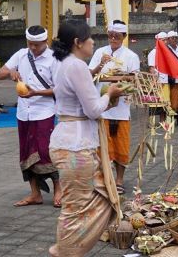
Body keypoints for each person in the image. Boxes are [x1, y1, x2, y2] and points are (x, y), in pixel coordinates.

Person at [48, 20, 123, 257]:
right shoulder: (76, 66)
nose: (93, 42)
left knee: (94, 198)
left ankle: (66, 249)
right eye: (89, 38)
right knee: (76, 208)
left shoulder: (62, 63)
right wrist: (109, 94)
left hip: (69, 140)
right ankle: (66, 252)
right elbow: (92, 109)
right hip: (75, 147)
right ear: (77, 43)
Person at [0, 25, 60, 208]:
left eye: (37, 45)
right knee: (26, 152)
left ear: (45, 42)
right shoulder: (21, 54)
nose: (33, 48)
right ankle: (35, 193)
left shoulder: (54, 59)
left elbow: (60, 89)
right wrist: (10, 73)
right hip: (24, 112)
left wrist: (37, 93)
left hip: (44, 112)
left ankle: (58, 190)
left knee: (45, 151)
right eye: (30, 44)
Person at [89, 20, 140, 195]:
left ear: (124, 37)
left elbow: (134, 79)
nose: (113, 39)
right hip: (102, 105)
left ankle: (119, 180)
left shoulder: (131, 56)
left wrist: (120, 78)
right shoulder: (99, 52)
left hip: (121, 107)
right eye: (110, 35)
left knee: (121, 145)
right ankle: (105, 178)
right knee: (102, 145)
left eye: (117, 36)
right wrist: (101, 65)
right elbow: (89, 74)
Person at [166, 31, 178, 124]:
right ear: (168, 39)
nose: (174, 39)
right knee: (172, 97)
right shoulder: (166, 50)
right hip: (171, 77)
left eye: (176, 38)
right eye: (172, 38)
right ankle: (172, 116)